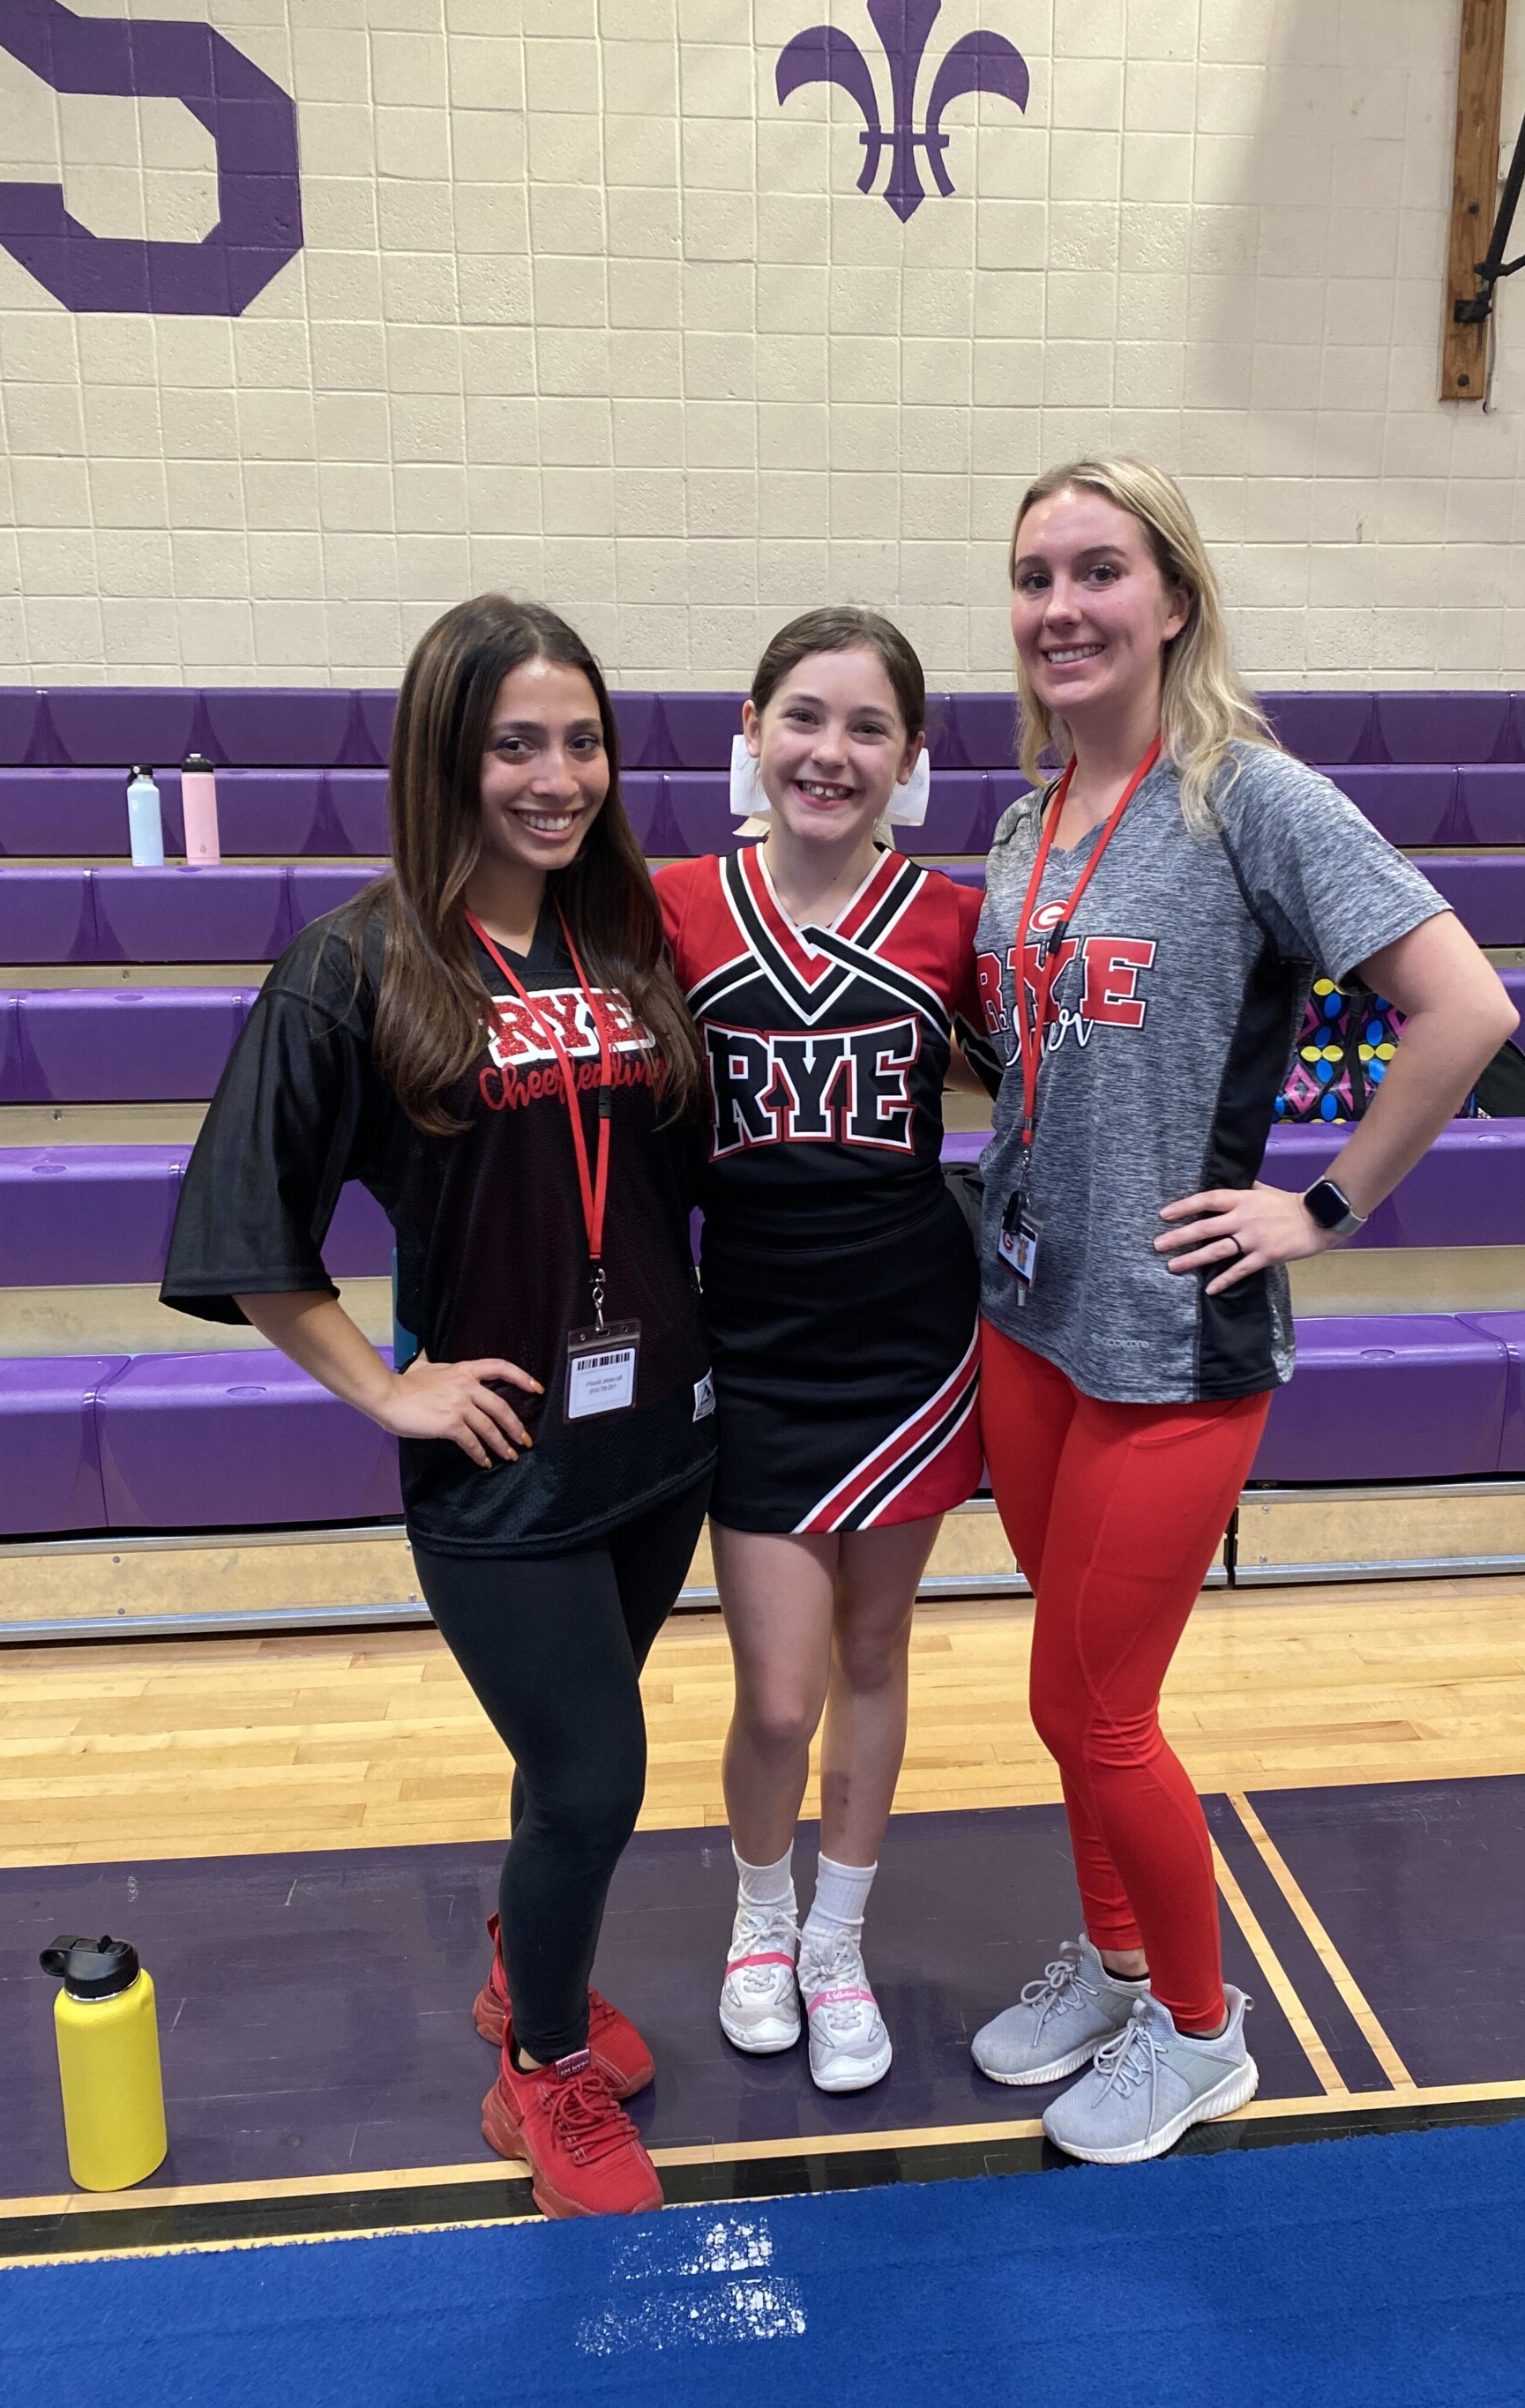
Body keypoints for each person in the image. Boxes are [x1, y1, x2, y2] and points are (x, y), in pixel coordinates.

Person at [965, 460, 1519, 2162]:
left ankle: (1203, 2036)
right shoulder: (1025, 815)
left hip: (1177, 1342)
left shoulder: (1250, 797)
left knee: (1099, 1705)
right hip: (1029, 1319)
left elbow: (1465, 1007)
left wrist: (1323, 1205)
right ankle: (1120, 1960)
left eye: (1100, 572)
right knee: (1064, 1689)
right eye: (1036, 575)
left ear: (1175, 599)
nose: (1063, 606)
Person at [161, 595, 716, 2219]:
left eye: (583, 741)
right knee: (600, 1780)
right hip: (504, 1463)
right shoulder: (355, 964)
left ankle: (515, 1971)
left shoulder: (626, 947)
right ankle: (540, 2067)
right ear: (447, 758)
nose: (559, 777)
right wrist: (387, 1389)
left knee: (567, 1769)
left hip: (660, 1437)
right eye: (516, 745)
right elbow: (248, 1225)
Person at [656, 608, 997, 2092]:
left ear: (912, 757)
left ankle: (839, 1935)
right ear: (751, 728)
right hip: (757, 1344)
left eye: (868, 729)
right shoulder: (670, 906)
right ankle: (757, 1911)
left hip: (911, 1346)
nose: (831, 753)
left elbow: (1056, 1090)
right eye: (805, 718)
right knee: (778, 1691)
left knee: (873, 1652)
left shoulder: (954, 921)